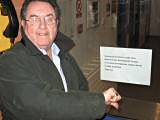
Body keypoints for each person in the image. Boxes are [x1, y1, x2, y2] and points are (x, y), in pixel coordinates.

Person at [0, 0, 121, 120]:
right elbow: (42, 104)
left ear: (57, 23)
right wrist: (100, 100)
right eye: (34, 19)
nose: (43, 26)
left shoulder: (63, 55)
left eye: (49, 19)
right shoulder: (9, 62)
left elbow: (82, 89)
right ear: (23, 24)